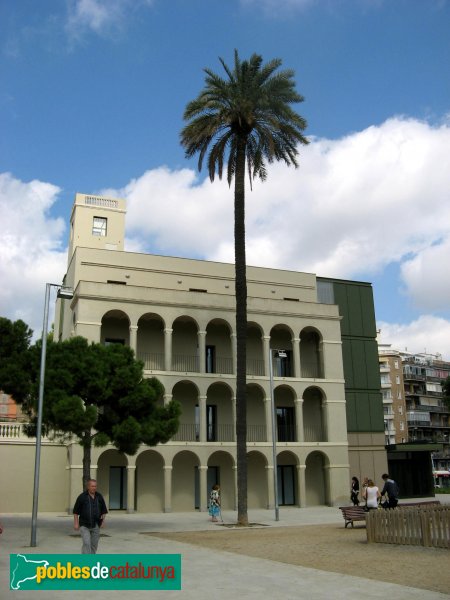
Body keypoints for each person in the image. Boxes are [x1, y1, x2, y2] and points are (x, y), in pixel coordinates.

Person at [73, 479, 108, 554]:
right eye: (92, 486)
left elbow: (103, 511)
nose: (94, 488)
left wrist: (103, 522)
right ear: (88, 486)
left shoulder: (99, 496)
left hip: (96, 525)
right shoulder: (82, 497)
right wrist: (76, 523)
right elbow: (75, 512)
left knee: (94, 544)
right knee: (86, 543)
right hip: (84, 525)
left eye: (95, 486)